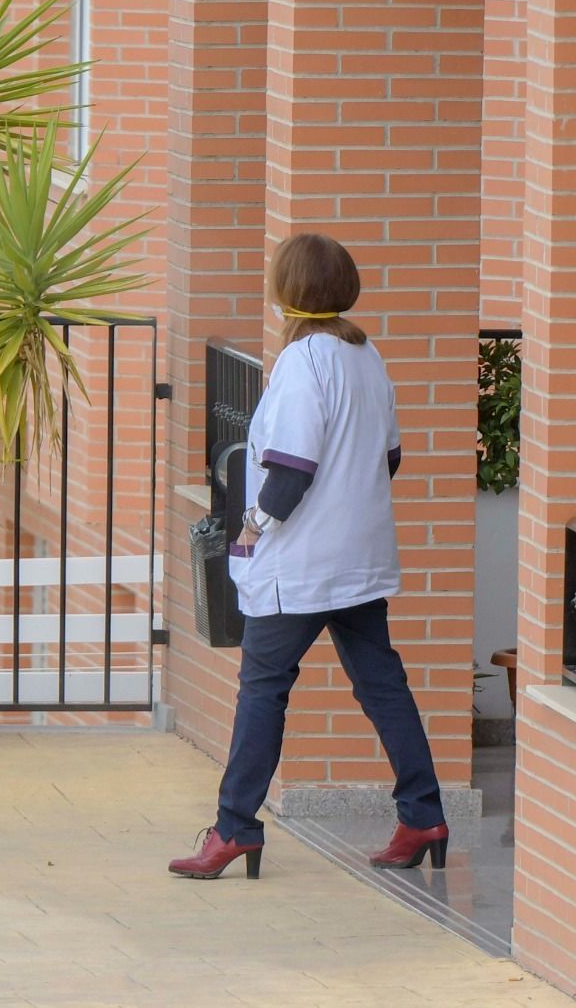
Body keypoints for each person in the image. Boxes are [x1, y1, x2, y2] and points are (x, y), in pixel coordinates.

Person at [169, 232, 447, 881]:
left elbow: (291, 470)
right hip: (359, 554)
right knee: (383, 685)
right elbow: (390, 459)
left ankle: (234, 829)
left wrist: (251, 530)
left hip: (301, 562)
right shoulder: (366, 355)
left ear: (284, 292)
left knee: (263, 690)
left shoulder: (302, 363)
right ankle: (424, 813)